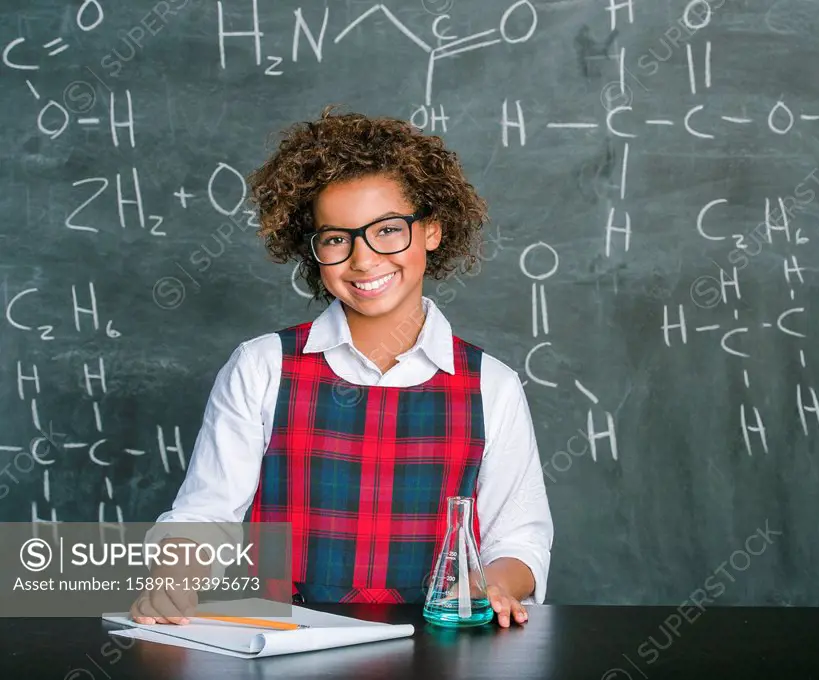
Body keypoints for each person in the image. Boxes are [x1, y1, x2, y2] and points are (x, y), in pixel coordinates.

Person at [130, 106, 553, 628]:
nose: (364, 259)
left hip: (438, 645)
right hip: (283, 643)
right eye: (336, 238)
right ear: (313, 251)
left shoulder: (493, 386)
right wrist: (174, 580)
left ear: (433, 232)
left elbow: (520, 537)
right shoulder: (261, 367)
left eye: (389, 230)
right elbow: (206, 515)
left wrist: (492, 584)